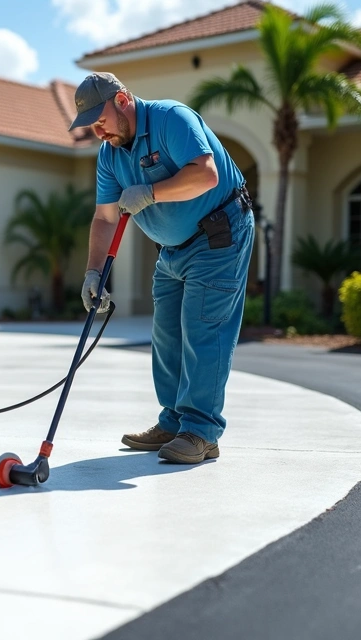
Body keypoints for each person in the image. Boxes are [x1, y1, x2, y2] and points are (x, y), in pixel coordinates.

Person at [70, 71, 255, 465]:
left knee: (203, 328)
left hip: (219, 234)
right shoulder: (109, 154)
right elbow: (105, 218)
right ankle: (173, 422)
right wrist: (93, 273)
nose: (98, 132)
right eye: (90, 127)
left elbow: (207, 174)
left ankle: (202, 432)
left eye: (99, 121)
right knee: (167, 335)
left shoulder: (172, 118)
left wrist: (151, 192)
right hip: (172, 249)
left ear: (122, 101)